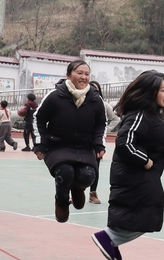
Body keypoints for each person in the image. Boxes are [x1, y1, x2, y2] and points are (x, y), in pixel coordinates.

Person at [91, 71, 164, 260]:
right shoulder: (140, 114)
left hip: (141, 175)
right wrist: (144, 159)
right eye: (162, 90)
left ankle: (112, 240)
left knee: (149, 213)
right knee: (148, 214)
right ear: (150, 92)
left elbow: (151, 141)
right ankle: (109, 237)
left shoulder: (151, 115)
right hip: (134, 174)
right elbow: (125, 142)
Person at [32, 60, 108, 221]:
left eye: (87, 74)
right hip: (58, 146)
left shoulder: (95, 98)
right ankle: (61, 200)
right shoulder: (55, 96)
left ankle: (78, 189)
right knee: (65, 172)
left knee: (87, 175)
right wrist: (40, 144)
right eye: (79, 73)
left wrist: (99, 144)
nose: (83, 77)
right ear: (68, 75)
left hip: (84, 148)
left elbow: (102, 123)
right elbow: (38, 118)